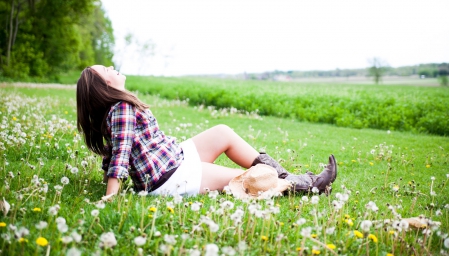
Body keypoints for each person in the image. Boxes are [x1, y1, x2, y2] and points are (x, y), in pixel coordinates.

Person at [76, 65, 337, 198]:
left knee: (223, 132)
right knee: (249, 178)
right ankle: (309, 186)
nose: (111, 67)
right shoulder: (120, 107)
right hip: (169, 176)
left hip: (174, 157)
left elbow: (113, 154)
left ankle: (288, 175)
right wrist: (111, 195)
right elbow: (119, 154)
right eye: (106, 70)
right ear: (104, 85)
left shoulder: (117, 108)